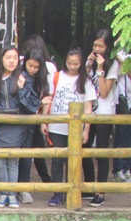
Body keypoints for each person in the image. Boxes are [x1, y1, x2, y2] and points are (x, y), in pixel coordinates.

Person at [41, 47, 95, 207]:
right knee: (57, 160)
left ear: (81, 63)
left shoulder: (85, 81)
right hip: (57, 126)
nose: (72, 66)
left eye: (76, 64)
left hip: (76, 128)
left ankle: (72, 191)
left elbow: (88, 107)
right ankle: (57, 193)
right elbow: (48, 99)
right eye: (69, 63)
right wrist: (44, 120)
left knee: (74, 160)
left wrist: (86, 129)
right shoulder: (56, 77)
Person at [0, 44, 39, 209]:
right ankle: (3, 193)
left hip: (16, 123)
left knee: (13, 160)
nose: (11, 61)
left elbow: (31, 104)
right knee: (0, 160)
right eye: (8, 58)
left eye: (14, 58)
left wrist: (21, 88)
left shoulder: (23, 76)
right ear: (1, 59)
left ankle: (11, 194)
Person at [84, 28, 120, 207]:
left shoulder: (113, 64)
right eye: (95, 45)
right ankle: (90, 185)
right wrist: (89, 66)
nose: (97, 49)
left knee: (102, 152)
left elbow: (104, 92)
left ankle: (101, 191)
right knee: (84, 148)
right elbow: (84, 84)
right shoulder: (89, 61)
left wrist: (99, 68)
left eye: (101, 46)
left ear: (108, 47)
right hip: (89, 111)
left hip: (105, 112)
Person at [16, 47, 51, 204]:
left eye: (36, 67)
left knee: (26, 156)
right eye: (30, 65)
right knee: (13, 155)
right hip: (18, 119)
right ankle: (12, 188)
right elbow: (25, 101)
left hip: (31, 123)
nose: (32, 69)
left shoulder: (40, 78)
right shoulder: (21, 75)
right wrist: (40, 103)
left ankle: (23, 188)